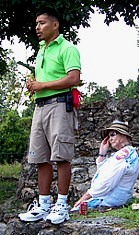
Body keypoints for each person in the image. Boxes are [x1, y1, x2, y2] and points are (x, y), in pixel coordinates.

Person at [18, 7, 81, 224]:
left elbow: (73, 78)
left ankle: (61, 205)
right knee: (40, 157)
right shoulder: (41, 50)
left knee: (61, 156)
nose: (37, 27)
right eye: (36, 23)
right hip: (40, 106)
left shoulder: (67, 48)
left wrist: (43, 84)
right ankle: (43, 205)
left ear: (55, 25)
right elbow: (44, 80)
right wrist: (34, 85)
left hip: (59, 105)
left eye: (42, 23)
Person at [71, 120, 139, 212]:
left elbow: (106, 181)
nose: (110, 139)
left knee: (75, 209)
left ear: (123, 135)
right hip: (120, 197)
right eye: (108, 136)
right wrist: (102, 153)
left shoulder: (121, 156)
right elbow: (104, 173)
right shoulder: (129, 152)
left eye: (113, 134)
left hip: (111, 198)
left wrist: (85, 197)